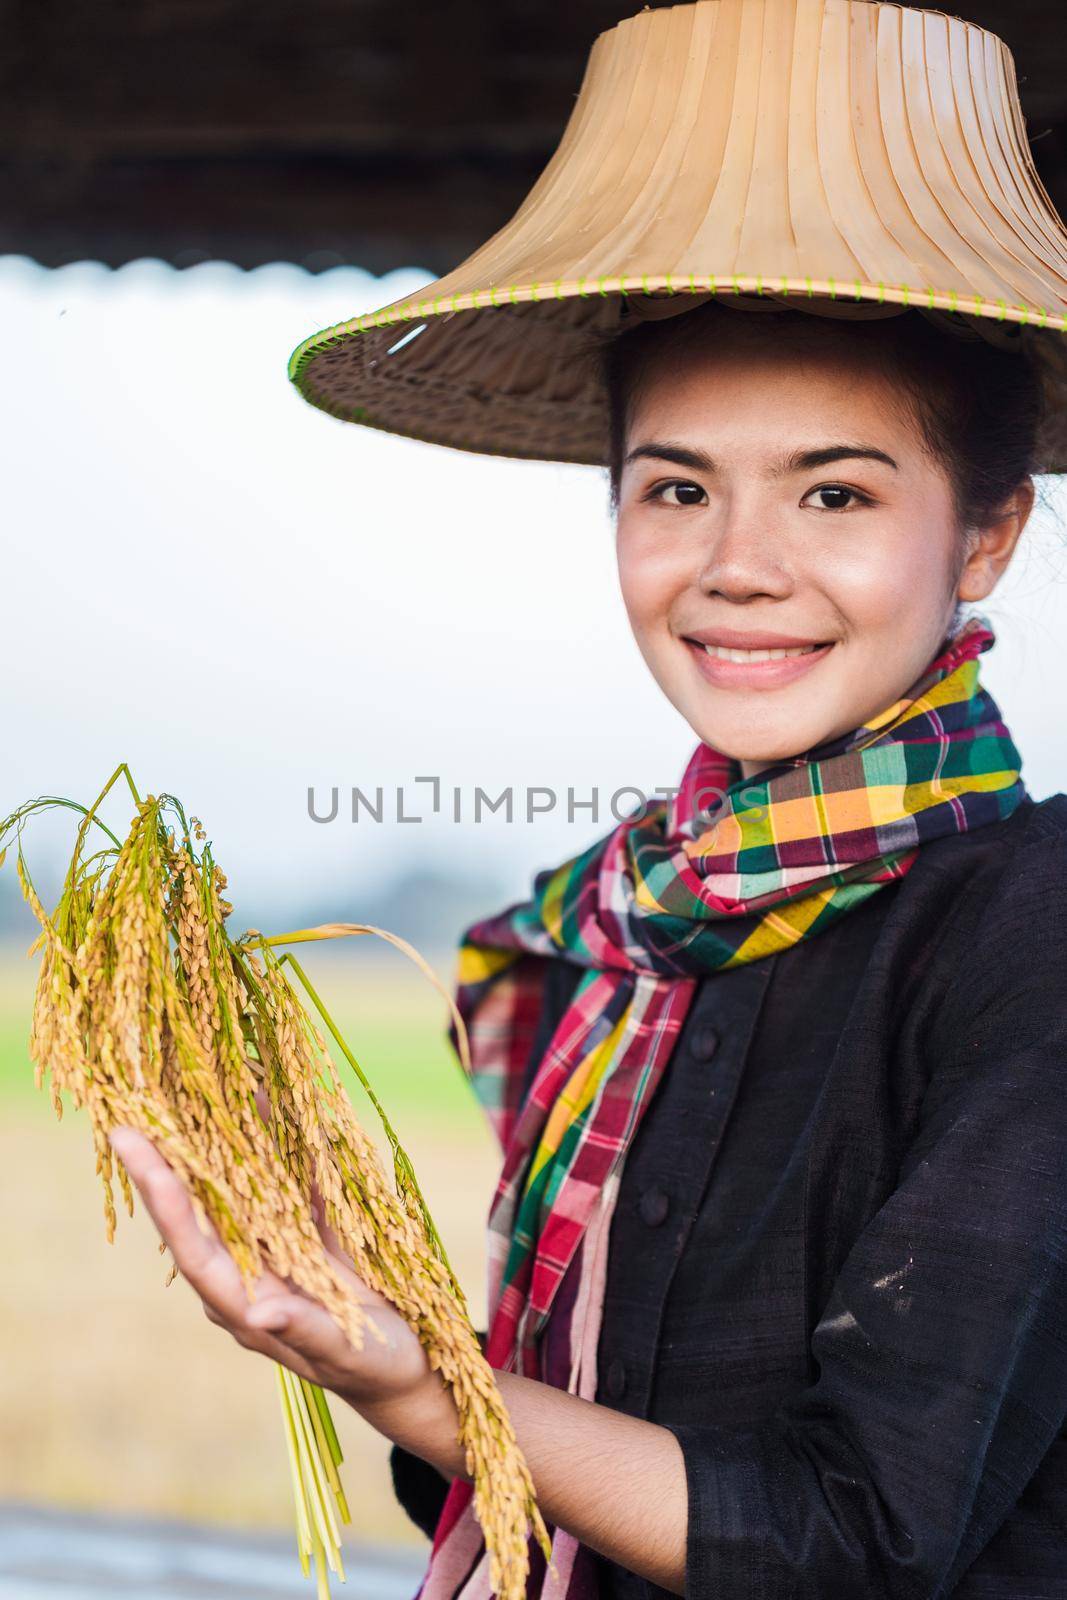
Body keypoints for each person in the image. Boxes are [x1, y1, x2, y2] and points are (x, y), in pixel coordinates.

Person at [112, 1, 1067, 1595]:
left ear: (985, 537)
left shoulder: (1031, 926)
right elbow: (525, 1474)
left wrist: (421, 1376)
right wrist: (387, 1337)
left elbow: (859, 1540)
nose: (739, 566)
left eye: (836, 492)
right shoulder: (606, 932)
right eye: (676, 489)